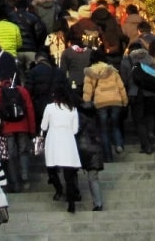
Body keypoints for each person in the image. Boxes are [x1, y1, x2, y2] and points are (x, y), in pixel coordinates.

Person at [39, 85, 82, 213]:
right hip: (68, 141)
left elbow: (44, 126)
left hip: (53, 140)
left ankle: (58, 189)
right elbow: (75, 130)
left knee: (51, 167)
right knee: (69, 174)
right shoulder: (73, 109)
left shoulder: (50, 107)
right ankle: (71, 202)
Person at [75, 100, 106, 211]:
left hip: (84, 149)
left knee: (75, 173)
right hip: (96, 150)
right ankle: (98, 203)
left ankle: (77, 194)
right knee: (93, 178)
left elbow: (75, 131)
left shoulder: (79, 117)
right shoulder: (96, 118)